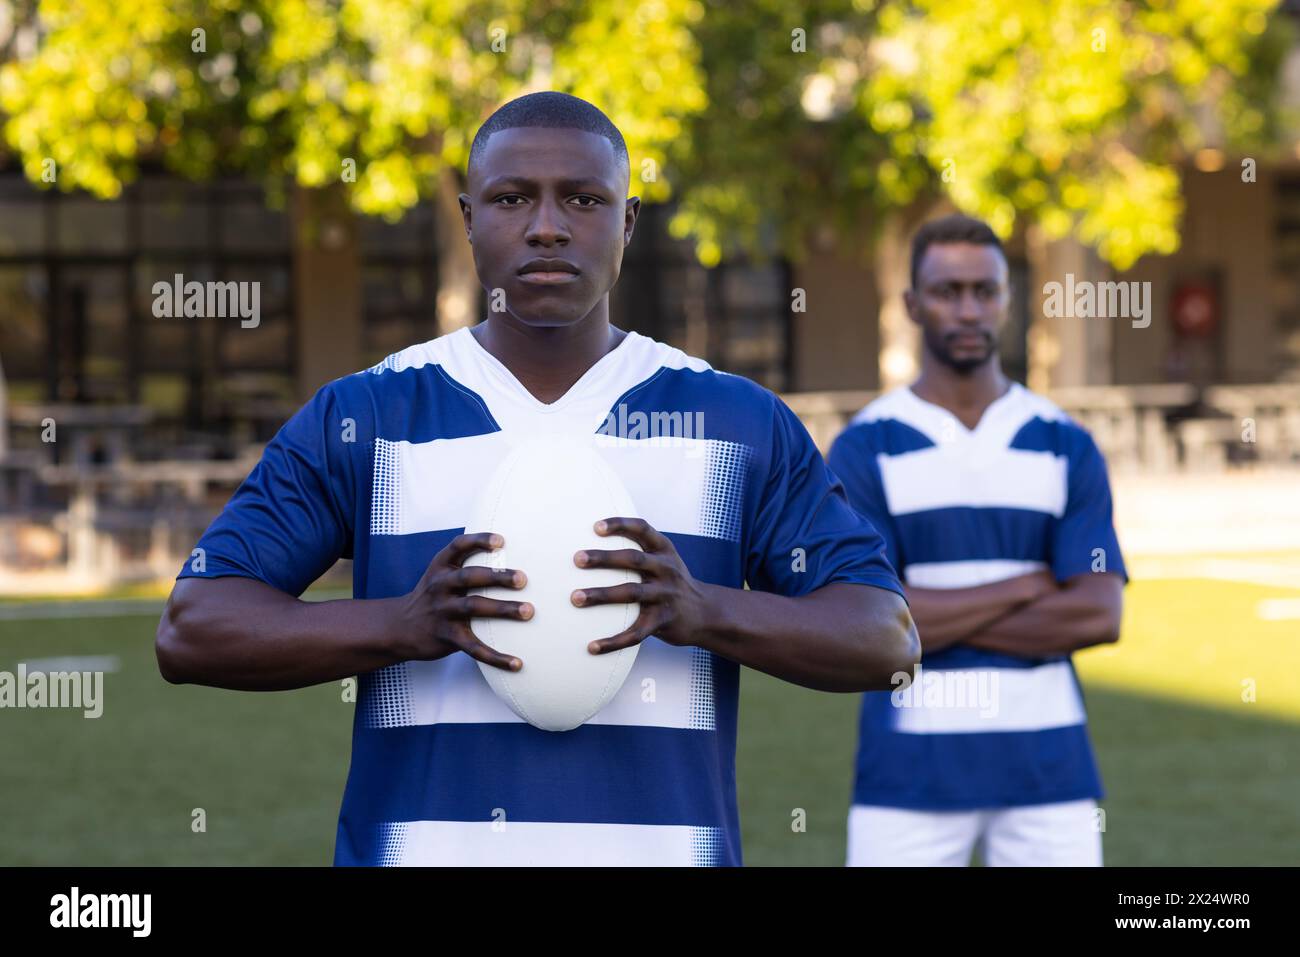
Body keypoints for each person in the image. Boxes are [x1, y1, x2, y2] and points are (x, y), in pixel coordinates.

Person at [156, 91, 918, 867]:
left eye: (584, 200)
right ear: (468, 218)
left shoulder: (733, 421)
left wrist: (703, 609)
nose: (547, 226)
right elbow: (192, 629)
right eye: (512, 198)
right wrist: (400, 625)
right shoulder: (367, 415)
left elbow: (884, 637)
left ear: (627, 222)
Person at [828, 214, 1126, 867]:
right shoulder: (865, 446)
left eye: (984, 290)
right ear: (911, 303)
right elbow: (876, 622)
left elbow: (1100, 613)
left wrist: (928, 613)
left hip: (1049, 771)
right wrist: (1026, 584)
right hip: (908, 771)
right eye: (946, 290)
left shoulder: (1063, 441)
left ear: (1006, 298)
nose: (968, 309)